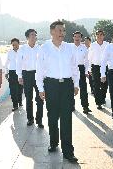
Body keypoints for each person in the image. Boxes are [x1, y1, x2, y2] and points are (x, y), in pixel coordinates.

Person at [36, 20, 79, 163]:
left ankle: (68, 151)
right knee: (53, 116)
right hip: (51, 85)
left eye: (64, 31)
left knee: (67, 117)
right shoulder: (44, 48)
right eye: (60, 30)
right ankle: (53, 142)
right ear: (52, 32)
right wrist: (41, 89)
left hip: (66, 85)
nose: (62, 33)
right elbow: (40, 71)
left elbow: (74, 68)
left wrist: (76, 84)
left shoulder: (69, 48)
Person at [16, 29, 44, 128]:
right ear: (27, 37)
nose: (34, 37)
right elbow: (18, 64)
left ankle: (39, 120)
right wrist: (19, 76)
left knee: (40, 98)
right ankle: (30, 119)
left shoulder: (40, 48)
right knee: (29, 98)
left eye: (35, 35)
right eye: (32, 35)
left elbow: (43, 63)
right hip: (26, 75)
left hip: (38, 74)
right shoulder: (22, 49)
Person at [71, 31, 91, 114]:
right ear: (73, 37)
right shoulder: (69, 47)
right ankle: (71, 105)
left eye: (78, 36)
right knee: (70, 88)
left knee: (83, 88)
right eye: (75, 36)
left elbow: (87, 61)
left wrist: (86, 71)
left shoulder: (84, 48)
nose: (77, 38)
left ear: (81, 38)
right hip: (71, 68)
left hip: (81, 68)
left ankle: (85, 107)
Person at [88, 30, 109, 110]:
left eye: (101, 35)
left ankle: (102, 98)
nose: (99, 36)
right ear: (95, 36)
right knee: (96, 85)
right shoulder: (92, 45)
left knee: (104, 84)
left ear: (103, 36)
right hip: (95, 67)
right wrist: (89, 69)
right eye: (98, 35)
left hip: (105, 67)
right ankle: (98, 102)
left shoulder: (107, 45)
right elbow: (89, 58)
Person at [4, 38, 23, 112]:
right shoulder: (10, 52)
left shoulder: (22, 52)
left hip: (21, 73)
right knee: (12, 90)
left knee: (20, 88)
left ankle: (20, 102)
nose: (14, 46)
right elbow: (7, 63)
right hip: (12, 73)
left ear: (19, 44)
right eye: (13, 45)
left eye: (16, 44)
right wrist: (6, 72)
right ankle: (15, 105)